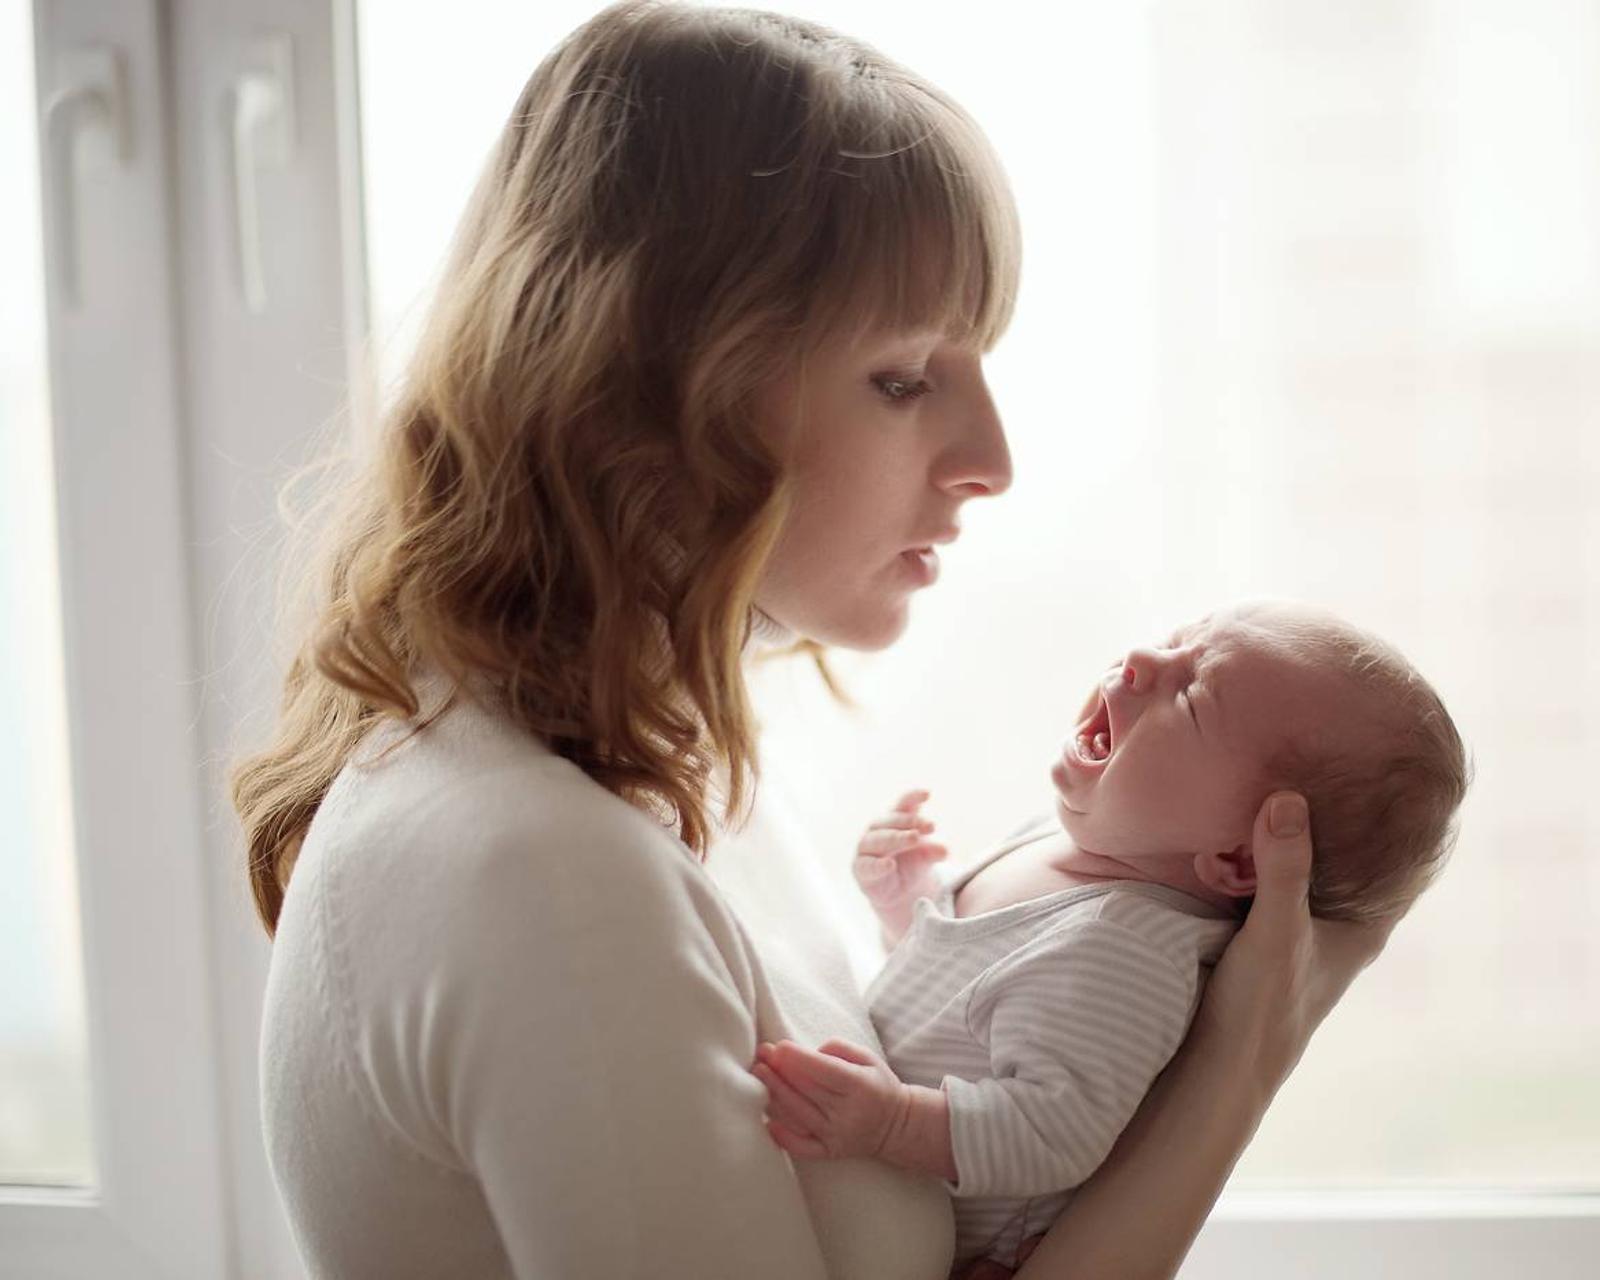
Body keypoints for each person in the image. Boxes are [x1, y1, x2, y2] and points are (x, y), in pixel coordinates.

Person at [233, 5, 1400, 1277]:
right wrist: (1237, 1069)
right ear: (655, 390)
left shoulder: (670, 772)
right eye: (906, 378)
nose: (992, 461)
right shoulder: (546, 873)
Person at [754, 601, 1468, 1273]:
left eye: (1190, 696)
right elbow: (974, 999)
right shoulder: (1061, 848)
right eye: (1173, 639)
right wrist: (912, 901)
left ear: (1240, 858)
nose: (1138, 660)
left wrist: (890, 1123)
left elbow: (1046, 1132)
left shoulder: (1125, 951)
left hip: (930, 1246)